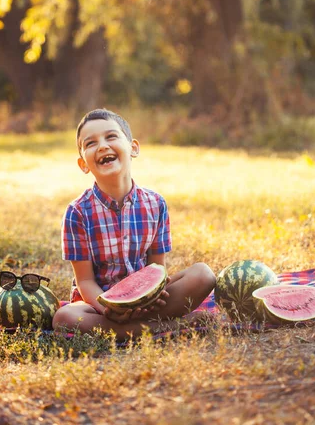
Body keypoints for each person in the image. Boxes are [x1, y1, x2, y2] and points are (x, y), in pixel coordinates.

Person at [53, 108, 216, 341]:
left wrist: (153, 297)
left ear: (133, 148)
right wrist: (109, 308)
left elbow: (156, 270)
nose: (102, 146)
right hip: (100, 307)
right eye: (91, 143)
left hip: (146, 300)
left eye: (111, 137)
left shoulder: (156, 204)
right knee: (64, 317)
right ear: (83, 164)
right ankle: (164, 327)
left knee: (203, 275)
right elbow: (85, 281)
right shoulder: (77, 212)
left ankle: (135, 328)